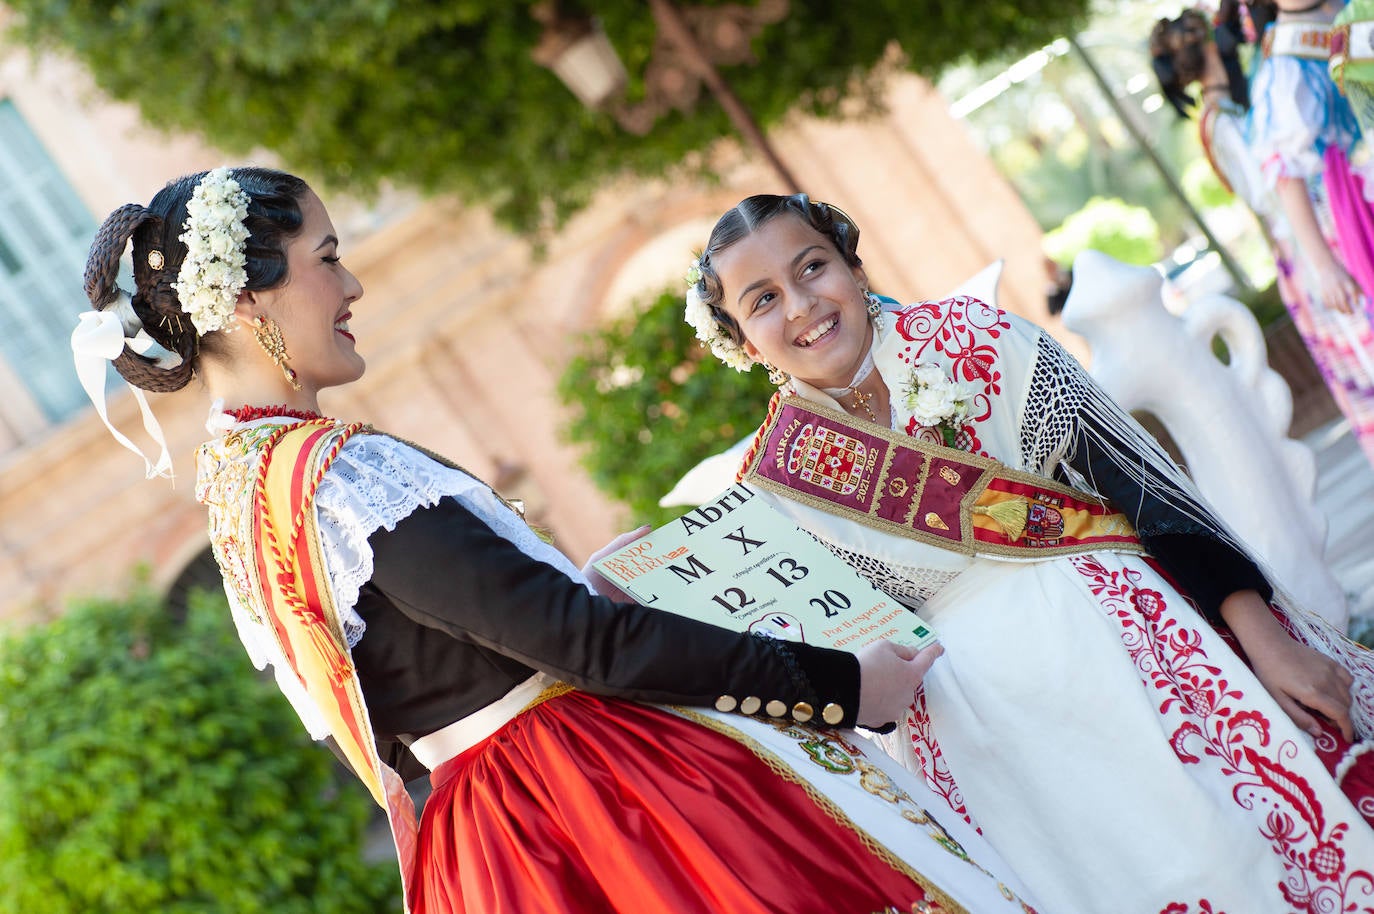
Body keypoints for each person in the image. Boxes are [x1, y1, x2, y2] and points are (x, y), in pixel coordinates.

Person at [70, 167, 1049, 914]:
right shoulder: (336, 481)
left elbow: (450, 660)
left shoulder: (246, 488)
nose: (354, 280)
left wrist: (562, 583)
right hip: (584, 803)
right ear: (249, 303)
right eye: (328, 258)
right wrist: (843, 684)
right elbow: (590, 648)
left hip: (488, 839)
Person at [684, 192, 1374, 914]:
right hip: (985, 739)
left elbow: (1141, 488)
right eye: (763, 299)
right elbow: (839, 655)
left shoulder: (974, 337)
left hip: (1132, 651)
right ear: (741, 340)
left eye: (812, 267)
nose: (800, 305)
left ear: (853, 267)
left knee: (1249, 855)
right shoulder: (771, 486)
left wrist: (1265, 639)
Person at [1243, 0, 1374, 465]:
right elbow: (1286, 171)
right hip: (1352, 216)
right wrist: (1323, 265)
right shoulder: (1285, 61)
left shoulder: (1344, 10)